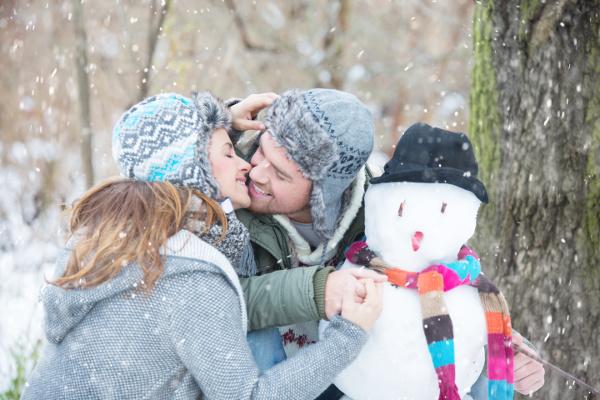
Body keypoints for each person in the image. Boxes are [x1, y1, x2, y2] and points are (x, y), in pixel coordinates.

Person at [21, 92, 383, 400]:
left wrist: (219, 126)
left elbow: (159, 147)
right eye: (232, 153)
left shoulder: (138, 233)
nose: (249, 167)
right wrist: (348, 336)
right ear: (197, 174)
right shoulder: (189, 274)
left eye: (280, 172)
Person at [226, 89, 546, 399]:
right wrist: (217, 125)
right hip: (272, 376)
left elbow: (445, 279)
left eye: (281, 175)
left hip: (356, 374)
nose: (257, 172)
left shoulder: (387, 210)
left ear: (324, 194)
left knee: (475, 369)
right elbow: (221, 304)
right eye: (261, 150)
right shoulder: (229, 190)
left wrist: (498, 345)